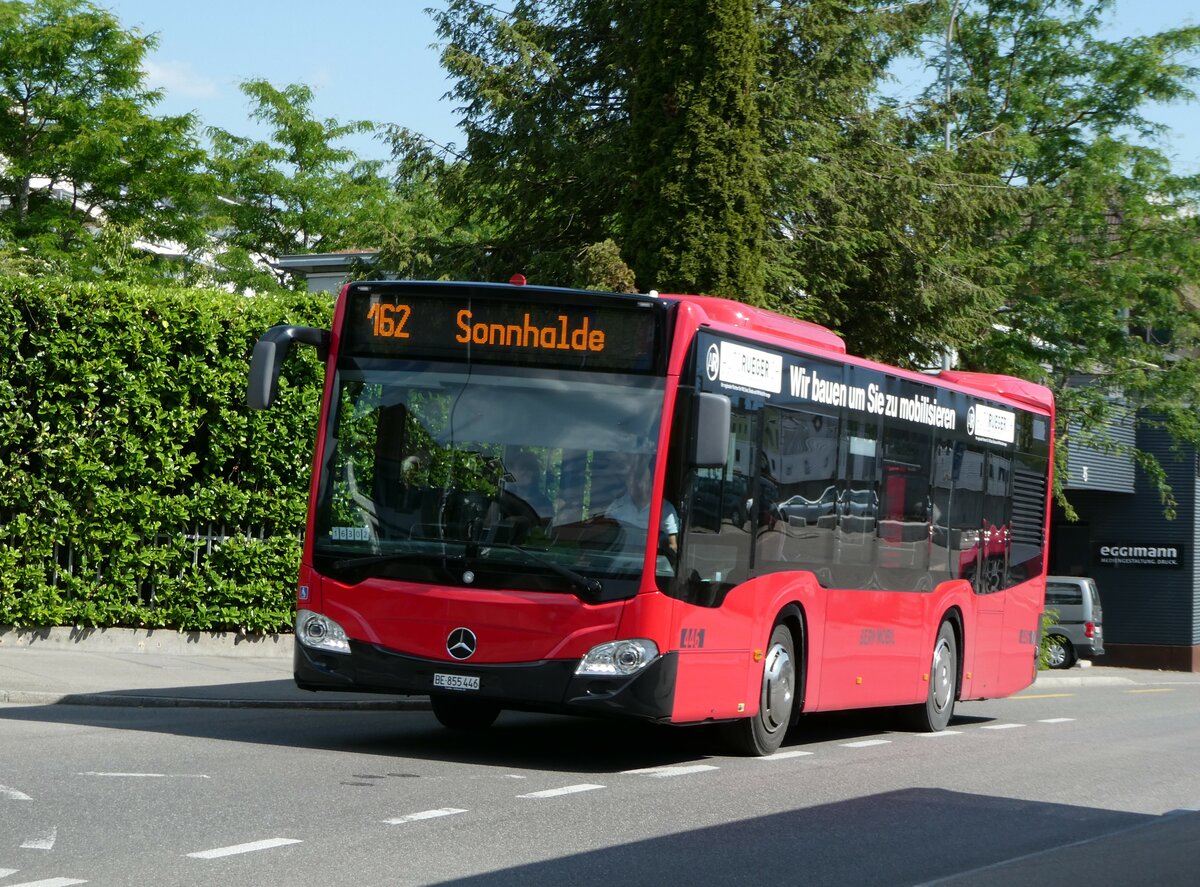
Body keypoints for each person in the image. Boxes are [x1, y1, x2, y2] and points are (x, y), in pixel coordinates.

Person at [605, 455, 679, 559]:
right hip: (619, 564)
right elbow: (605, 539)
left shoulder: (665, 509)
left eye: (642, 480)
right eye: (632, 480)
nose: (638, 485)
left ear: (651, 483)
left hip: (650, 565)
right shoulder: (616, 507)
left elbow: (672, 545)